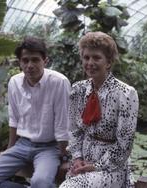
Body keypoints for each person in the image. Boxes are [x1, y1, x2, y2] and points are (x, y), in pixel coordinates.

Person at [59, 32, 139, 188]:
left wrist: (95, 166)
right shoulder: (78, 90)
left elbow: (125, 143)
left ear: (108, 62)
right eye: (86, 57)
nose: (90, 62)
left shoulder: (125, 93)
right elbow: (74, 130)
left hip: (111, 168)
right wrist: (77, 159)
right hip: (82, 164)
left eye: (96, 57)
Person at [0, 36, 71, 188]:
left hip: (49, 147)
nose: (30, 65)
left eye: (35, 60)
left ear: (45, 61)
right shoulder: (14, 82)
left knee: (40, 182)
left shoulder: (59, 82)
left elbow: (62, 123)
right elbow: (14, 118)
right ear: (20, 62)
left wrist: (65, 157)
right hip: (22, 145)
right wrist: (9, 149)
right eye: (25, 60)